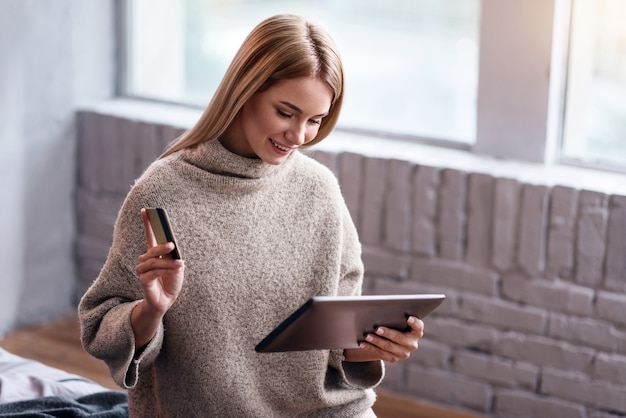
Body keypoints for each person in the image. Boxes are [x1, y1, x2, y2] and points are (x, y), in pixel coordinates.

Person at [78, 13, 424, 417]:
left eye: (315, 120)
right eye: (285, 112)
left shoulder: (319, 189)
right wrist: (152, 309)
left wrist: (370, 346)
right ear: (244, 91)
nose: (299, 137)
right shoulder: (163, 191)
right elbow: (101, 325)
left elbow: (337, 331)